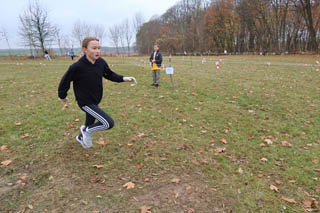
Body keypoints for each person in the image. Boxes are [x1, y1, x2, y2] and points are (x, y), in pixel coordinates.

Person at [58, 37, 137, 148]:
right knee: (108, 123)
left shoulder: (101, 62)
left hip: (95, 99)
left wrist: (124, 78)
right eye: (94, 48)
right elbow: (65, 81)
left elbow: (109, 75)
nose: (97, 51)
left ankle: (81, 136)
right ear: (85, 50)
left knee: (90, 121)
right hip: (85, 102)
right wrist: (62, 96)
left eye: (99, 48)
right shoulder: (77, 67)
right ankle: (86, 131)